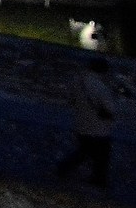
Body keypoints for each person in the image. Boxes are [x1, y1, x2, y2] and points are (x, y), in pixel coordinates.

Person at [55, 56, 130, 189]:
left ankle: (63, 169)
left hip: (81, 123)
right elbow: (110, 108)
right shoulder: (100, 86)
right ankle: (98, 180)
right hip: (99, 127)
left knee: (84, 151)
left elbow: (71, 100)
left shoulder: (78, 81)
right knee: (101, 156)